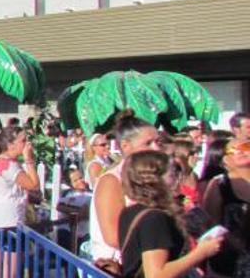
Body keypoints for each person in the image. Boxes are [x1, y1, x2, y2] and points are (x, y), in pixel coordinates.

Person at [118, 150, 224, 278]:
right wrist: (201, 253)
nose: (177, 180)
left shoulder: (131, 211)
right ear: (154, 179)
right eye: (172, 175)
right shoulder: (155, 218)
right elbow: (156, 274)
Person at [88, 111, 161, 262]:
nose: (156, 149)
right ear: (125, 146)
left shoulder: (153, 178)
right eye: (148, 143)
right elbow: (113, 237)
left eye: (158, 142)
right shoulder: (111, 181)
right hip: (119, 266)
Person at [0, 126, 39, 278]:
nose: (26, 144)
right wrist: (29, 160)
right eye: (23, 141)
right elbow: (33, 184)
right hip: (9, 223)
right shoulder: (8, 164)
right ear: (11, 144)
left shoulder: (0, 162)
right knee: (10, 270)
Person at [202, 139, 250, 277]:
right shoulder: (220, 184)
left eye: (245, 146)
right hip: (230, 260)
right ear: (226, 160)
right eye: (232, 150)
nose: (239, 151)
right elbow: (211, 224)